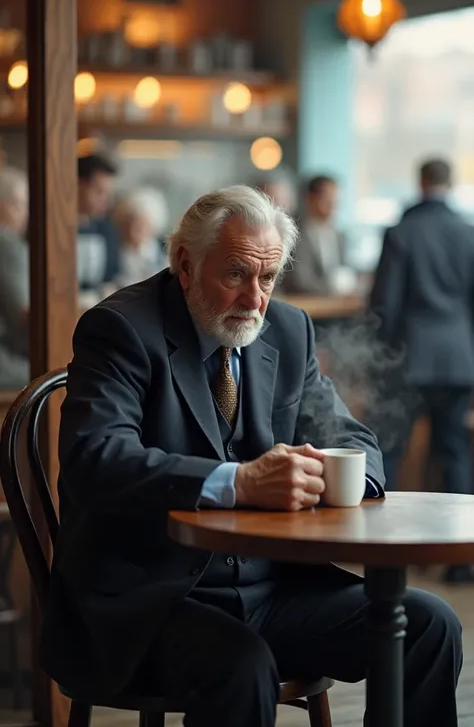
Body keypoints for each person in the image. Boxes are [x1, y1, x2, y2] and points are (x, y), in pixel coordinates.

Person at [41, 186, 461, 727]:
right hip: (148, 598)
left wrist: (336, 477)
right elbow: (94, 459)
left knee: (429, 624)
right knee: (242, 665)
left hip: (271, 588)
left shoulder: (288, 329)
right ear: (186, 265)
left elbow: (353, 439)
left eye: (267, 278)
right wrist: (237, 482)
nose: (255, 299)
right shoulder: (121, 329)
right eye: (236, 274)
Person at [369, 158, 474, 583]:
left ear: (421, 182)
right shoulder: (469, 233)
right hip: (459, 360)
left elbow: (385, 305)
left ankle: (384, 551)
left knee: (389, 450)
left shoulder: (401, 232)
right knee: (454, 454)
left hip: (409, 359)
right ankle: (462, 560)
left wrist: (381, 358)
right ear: (450, 184)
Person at [284, 175, 353, 295]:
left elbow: (347, 272)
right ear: (310, 198)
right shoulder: (293, 232)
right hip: (306, 303)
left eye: (335, 198)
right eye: (327, 198)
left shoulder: (341, 235)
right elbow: (300, 279)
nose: (333, 204)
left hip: (341, 306)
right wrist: (332, 291)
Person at [0, 165, 29, 388]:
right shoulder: (6, 244)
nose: (25, 214)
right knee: (59, 372)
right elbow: (24, 313)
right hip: (6, 360)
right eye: (18, 205)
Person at [77, 153, 120, 297]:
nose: (106, 201)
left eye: (109, 194)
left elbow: (112, 278)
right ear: (77, 185)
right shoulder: (54, 231)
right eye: (99, 192)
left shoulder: (107, 232)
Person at [113, 186, 169, 286]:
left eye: (139, 226)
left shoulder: (163, 252)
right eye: (127, 224)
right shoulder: (115, 251)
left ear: (152, 227)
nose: (132, 231)